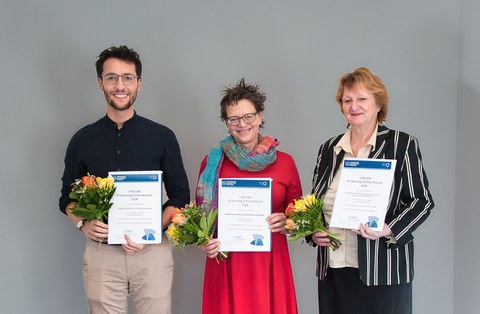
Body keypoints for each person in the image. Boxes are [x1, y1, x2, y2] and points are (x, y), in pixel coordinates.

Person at [59, 45, 190, 314]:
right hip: (102, 253)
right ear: (100, 83)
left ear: (139, 84)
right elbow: (66, 198)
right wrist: (83, 223)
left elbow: (179, 196)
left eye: (128, 78)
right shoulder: (82, 140)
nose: (120, 85)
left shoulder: (162, 137)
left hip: (151, 251)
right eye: (111, 78)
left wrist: (152, 228)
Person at [309, 67, 434, 314]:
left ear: (378, 104)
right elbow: (315, 203)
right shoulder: (329, 149)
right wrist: (313, 232)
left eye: (362, 99)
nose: (354, 106)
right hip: (333, 269)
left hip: (383, 269)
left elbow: (422, 202)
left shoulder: (401, 144)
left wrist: (389, 228)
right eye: (347, 100)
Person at [197, 78, 302, 314]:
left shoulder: (285, 162)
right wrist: (205, 242)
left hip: (270, 263)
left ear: (260, 116)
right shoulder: (212, 162)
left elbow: (298, 213)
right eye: (233, 119)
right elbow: (200, 220)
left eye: (248, 116)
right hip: (225, 261)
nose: (241, 124)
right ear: (226, 122)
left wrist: (287, 222)